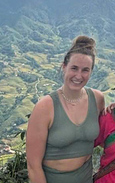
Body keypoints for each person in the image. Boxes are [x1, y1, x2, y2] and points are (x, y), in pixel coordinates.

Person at [26, 36, 106, 183]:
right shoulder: (45, 107)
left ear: (91, 72)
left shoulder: (97, 99)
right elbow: (33, 165)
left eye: (85, 70)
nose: (78, 75)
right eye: (74, 68)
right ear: (64, 67)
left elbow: (105, 136)